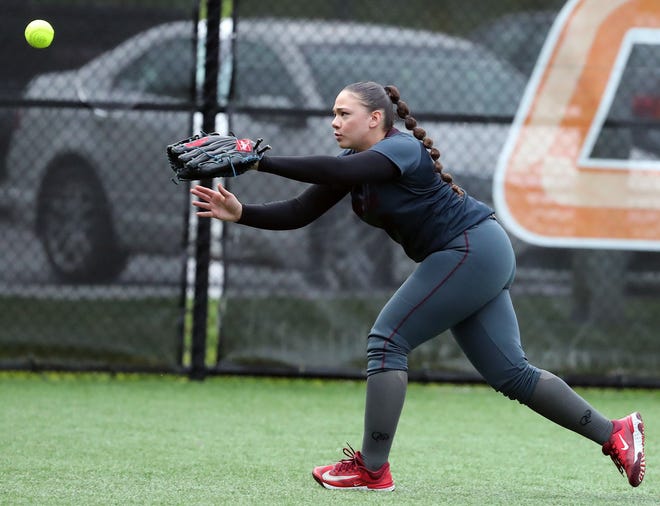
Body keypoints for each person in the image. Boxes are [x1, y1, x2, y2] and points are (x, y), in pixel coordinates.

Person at [190, 81, 646, 491]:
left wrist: (259, 159)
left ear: (375, 119)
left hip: (470, 250)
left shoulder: (403, 149)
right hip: (472, 255)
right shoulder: (353, 164)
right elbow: (299, 212)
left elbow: (336, 174)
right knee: (512, 374)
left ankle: (372, 468)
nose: (334, 121)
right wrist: (242, 212)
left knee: (387, 340)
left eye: (344, 113)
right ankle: (615, 433)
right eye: (333, 113)